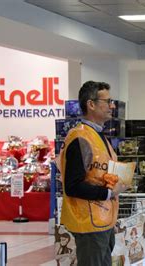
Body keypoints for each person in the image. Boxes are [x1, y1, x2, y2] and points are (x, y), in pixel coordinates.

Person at [59, 81, 128, 266]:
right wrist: (108, 192)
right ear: (91, 104)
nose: (112, 106)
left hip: (103, 221)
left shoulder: (99, 136)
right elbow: (72, 186)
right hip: (88, 223)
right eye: (108, 101)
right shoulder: (80, 138)